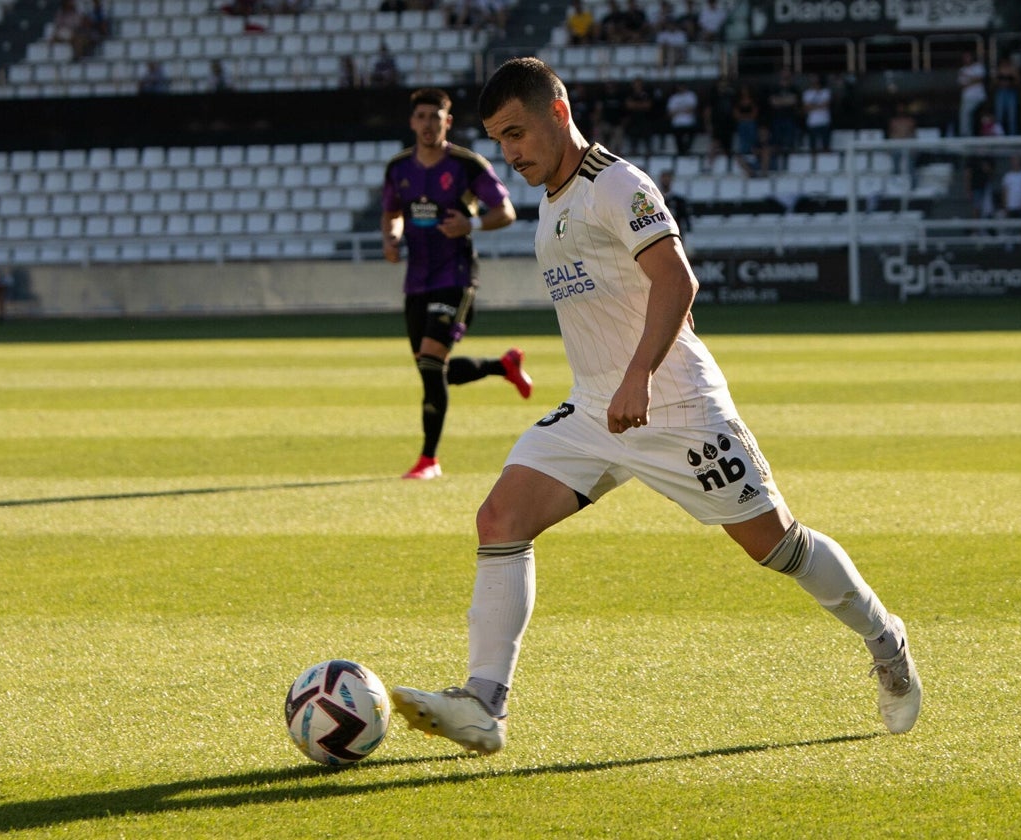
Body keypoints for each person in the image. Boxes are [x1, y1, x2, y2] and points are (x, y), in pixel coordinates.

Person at [390, 57, 923, 755]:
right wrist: (616, 382)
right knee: (499, 516)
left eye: (517, 132)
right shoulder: (551, 198)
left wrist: (640, 373)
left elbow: (677, 280)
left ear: (558, 110)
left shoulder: (617, 184)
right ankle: (485, 703)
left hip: (672, 404)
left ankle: (886, 640)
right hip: (594, 409)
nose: (510, 153)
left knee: (778, 546)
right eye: (498, 140)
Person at [380, 87, 531, 481]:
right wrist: (391, 238)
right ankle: (504, 366)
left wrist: (472, 223)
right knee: (434, 371)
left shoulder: (467, 165)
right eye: (422, 117)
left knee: (431, 364)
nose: (428, 124)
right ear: (412, 122)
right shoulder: (398, 169)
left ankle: (428, 460)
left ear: (447, 122)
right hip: (417, 280)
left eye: (436, 117)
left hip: (456, 276)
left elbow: (506, 211)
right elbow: (392, 212)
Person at [957, 51, 987, 137]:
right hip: (967, 97)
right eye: (965, 57)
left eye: (968, 57)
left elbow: (980, 79)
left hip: (978, 97)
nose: (966, 59)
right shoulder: (962, 70)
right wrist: (973, 80)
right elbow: (962, 85)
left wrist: (968, 77)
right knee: (964, 114)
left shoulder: (978, 67)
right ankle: (965, 134)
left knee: (967, 112)